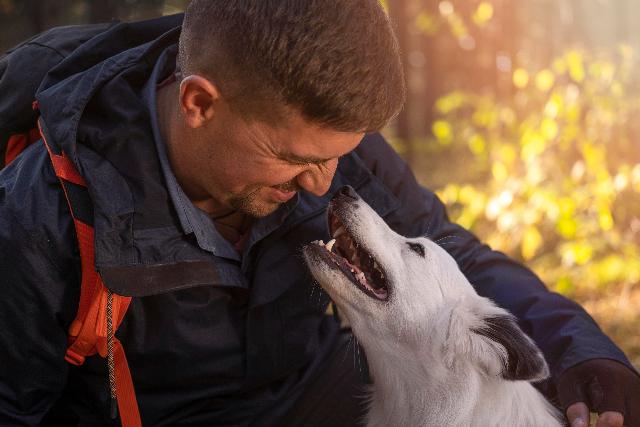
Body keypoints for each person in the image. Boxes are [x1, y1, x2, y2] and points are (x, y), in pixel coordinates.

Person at [0, 1, 638, 426]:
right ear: (198, 102)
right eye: (294, 159)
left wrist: (578, 347)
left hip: (330, 401)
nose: (325, 183)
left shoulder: (322, 138)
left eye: (342, 156)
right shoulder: (39, 218)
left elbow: (447, 254)